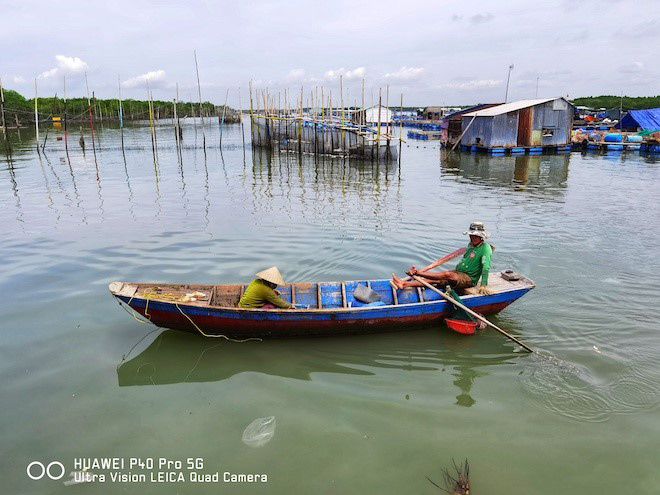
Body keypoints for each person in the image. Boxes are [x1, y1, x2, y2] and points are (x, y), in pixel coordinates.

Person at [392, 222, 494, 295]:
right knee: (434, 279)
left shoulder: (485, 248)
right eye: (471, 236)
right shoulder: (470, 245)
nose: (472, 238)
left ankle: (417, 273)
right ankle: (404, 284)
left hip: (469, 279)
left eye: (475, 236)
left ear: (481, 237)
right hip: (459, 273)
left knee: (447, 274)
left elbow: (486, 267)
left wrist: (483, 285)